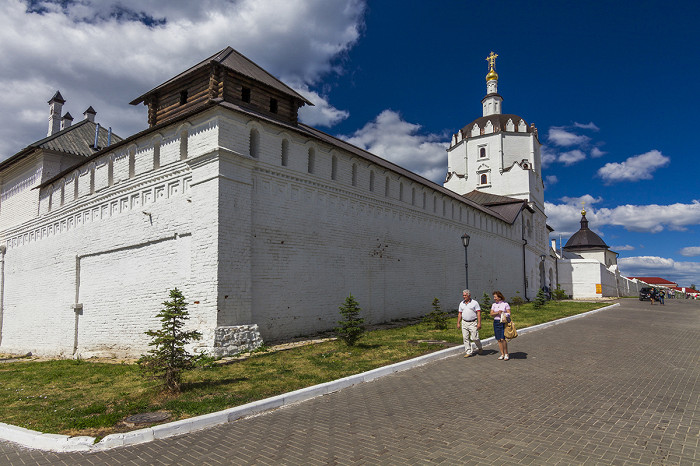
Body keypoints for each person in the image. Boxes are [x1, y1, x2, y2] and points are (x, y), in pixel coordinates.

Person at [456, 289, 483, 357]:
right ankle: (468, 352)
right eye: (463, 295)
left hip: (473, 322)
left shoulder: (474, 303)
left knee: (475, 338)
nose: (464, 297)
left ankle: (480, 347)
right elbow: (460, 314)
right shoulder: (461, 303)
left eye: (465, 295)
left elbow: (478, 313)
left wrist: (479, 323)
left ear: (469, 295)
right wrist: (458, 323)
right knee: (465, 338)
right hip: (464, 322)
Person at [490, 290, 511, 360]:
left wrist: (503, 313)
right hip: (496, 322)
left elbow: (509, 313)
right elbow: (491, 314)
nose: (494, 298)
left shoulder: (505, 304)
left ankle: (506, 353)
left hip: (503, 322)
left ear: (499, 297)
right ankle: (502, 354)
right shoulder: (494, 305)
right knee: (498, 339)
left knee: (503, 339)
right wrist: (497, 313)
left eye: (495, 297)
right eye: (494, 297)